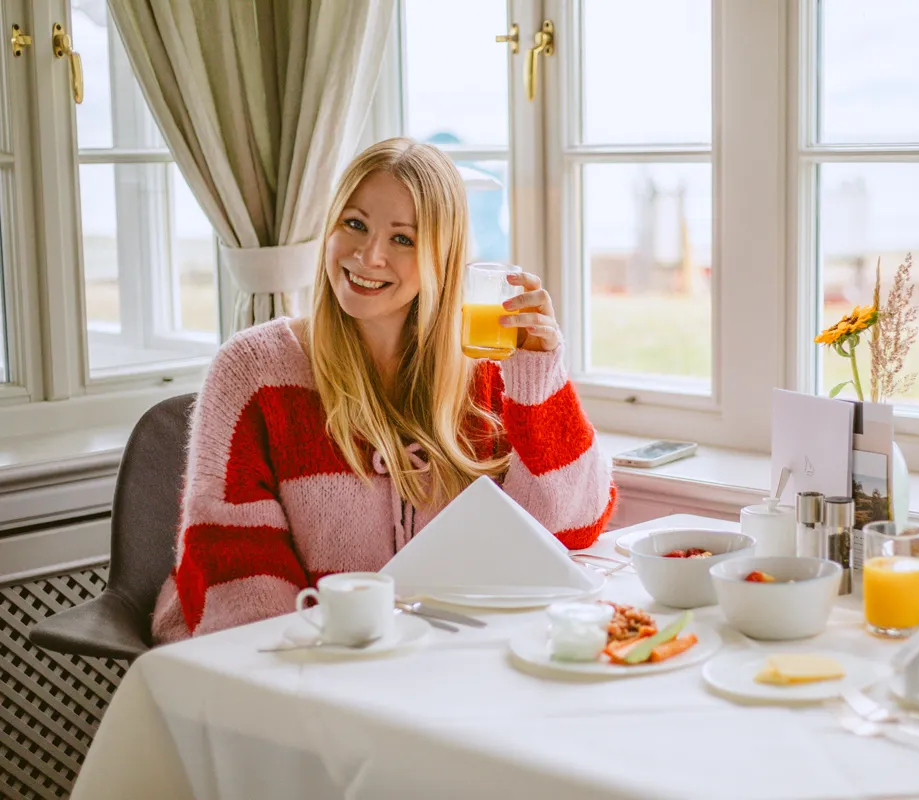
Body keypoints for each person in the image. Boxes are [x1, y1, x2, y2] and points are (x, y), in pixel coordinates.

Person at [152, 138, 616, 642]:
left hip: (447, 652)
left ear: (442, 258)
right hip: (302, 657)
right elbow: (238, 577)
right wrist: (328, 663)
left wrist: (538, 374)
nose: (369, 256)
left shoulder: (486, 371)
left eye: (402, 239)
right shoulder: (253, 371)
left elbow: (569, 529)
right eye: (354, 224)